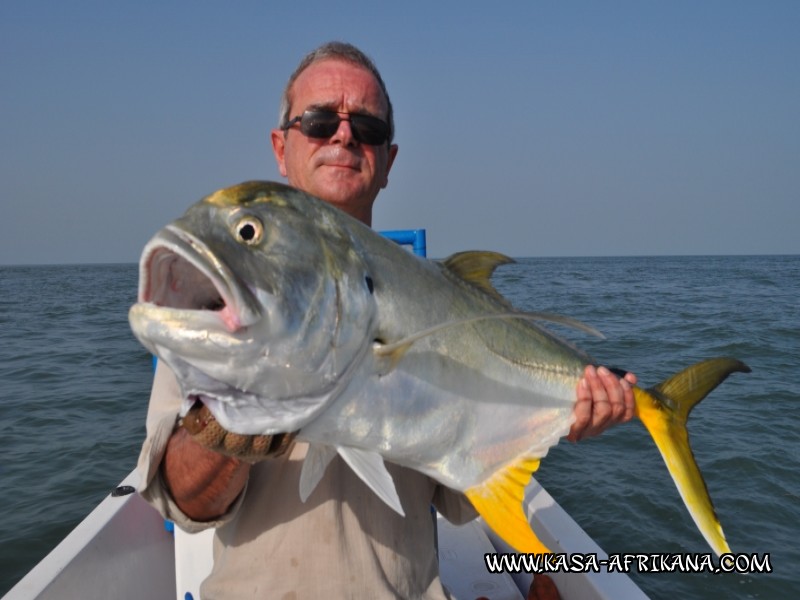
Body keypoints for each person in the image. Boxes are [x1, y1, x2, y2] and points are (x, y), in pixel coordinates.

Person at [137, 41, 637, 599]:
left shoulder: (439, 297)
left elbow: (459, 494)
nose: (344, 136)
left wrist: (556, 417)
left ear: (389, 162)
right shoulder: (213, 314)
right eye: (320, 121)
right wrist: (241, 407)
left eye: (367, 127)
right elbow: (182, 500)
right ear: (282, 146)